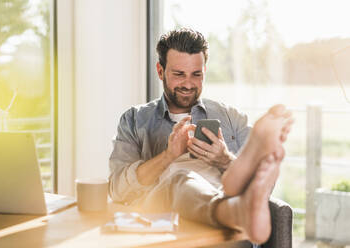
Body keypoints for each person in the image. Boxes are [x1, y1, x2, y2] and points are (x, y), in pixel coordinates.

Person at [108, 28, 293, 245]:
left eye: (196, 75)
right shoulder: (134, 120)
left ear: (204, 71)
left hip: (223, 236)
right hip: (163, 225)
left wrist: (225, 160)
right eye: (179, 74)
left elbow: (264, 190)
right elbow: (118, 191)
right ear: (160, 71)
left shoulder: (231, 117)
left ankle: (234, 183)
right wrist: (168, 157)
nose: (188, 84)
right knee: (180, 179)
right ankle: (233, 208)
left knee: (215, 182)